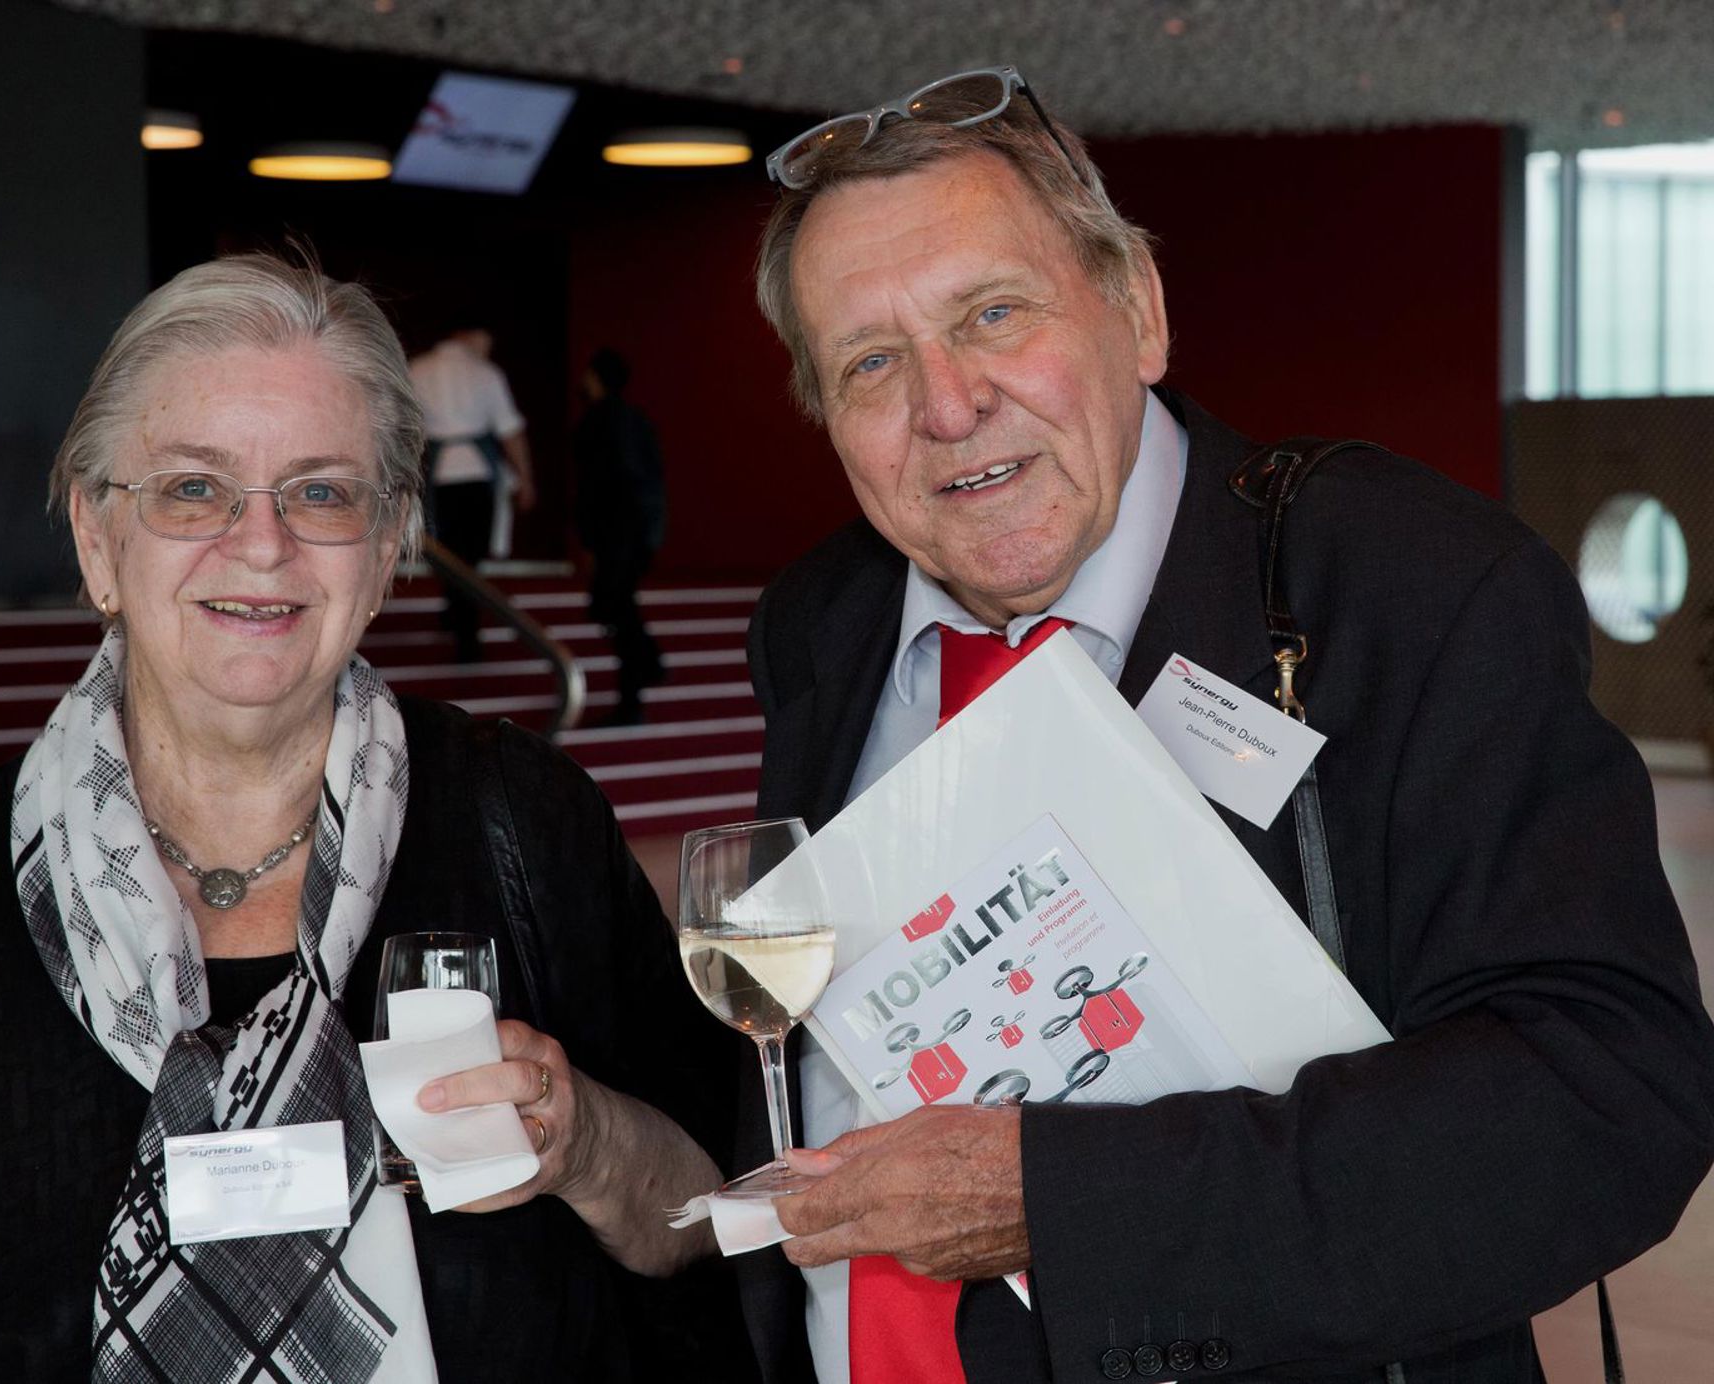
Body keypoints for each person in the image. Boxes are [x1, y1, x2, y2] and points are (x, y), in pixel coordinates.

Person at [736, 65, 1714, 1384]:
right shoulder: (819, 625)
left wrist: (1059, 1201)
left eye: (994, 313)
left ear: (1137, 311)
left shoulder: (1409, 589)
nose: (947, 404)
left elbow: (1605, 1102)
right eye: (870, 362)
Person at [0, 253, 752, 1382]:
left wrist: (585, 1141)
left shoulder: (528, 833)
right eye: (193, 488)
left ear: (388, 545)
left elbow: (722, 1222)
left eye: (322, 492)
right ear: (97, 540)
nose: (261, 544)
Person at [409, 322, 535, 661]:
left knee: (447, 550)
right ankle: (465, 625)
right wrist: (526, 479)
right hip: (477, 474)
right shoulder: (486, 373)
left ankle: (457, 615)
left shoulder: (417, 369)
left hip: (437, 476)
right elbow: (511, 430)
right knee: (471, 555)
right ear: (467, 336)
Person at [573, 346, 666, 723]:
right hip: (632, 531)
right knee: (615, 604)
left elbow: (600, 483)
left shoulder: (600, 422)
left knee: (615, 606)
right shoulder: (635, 420)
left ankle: (634, 693)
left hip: (616, 532)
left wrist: (591, 536)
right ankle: (649, 664)